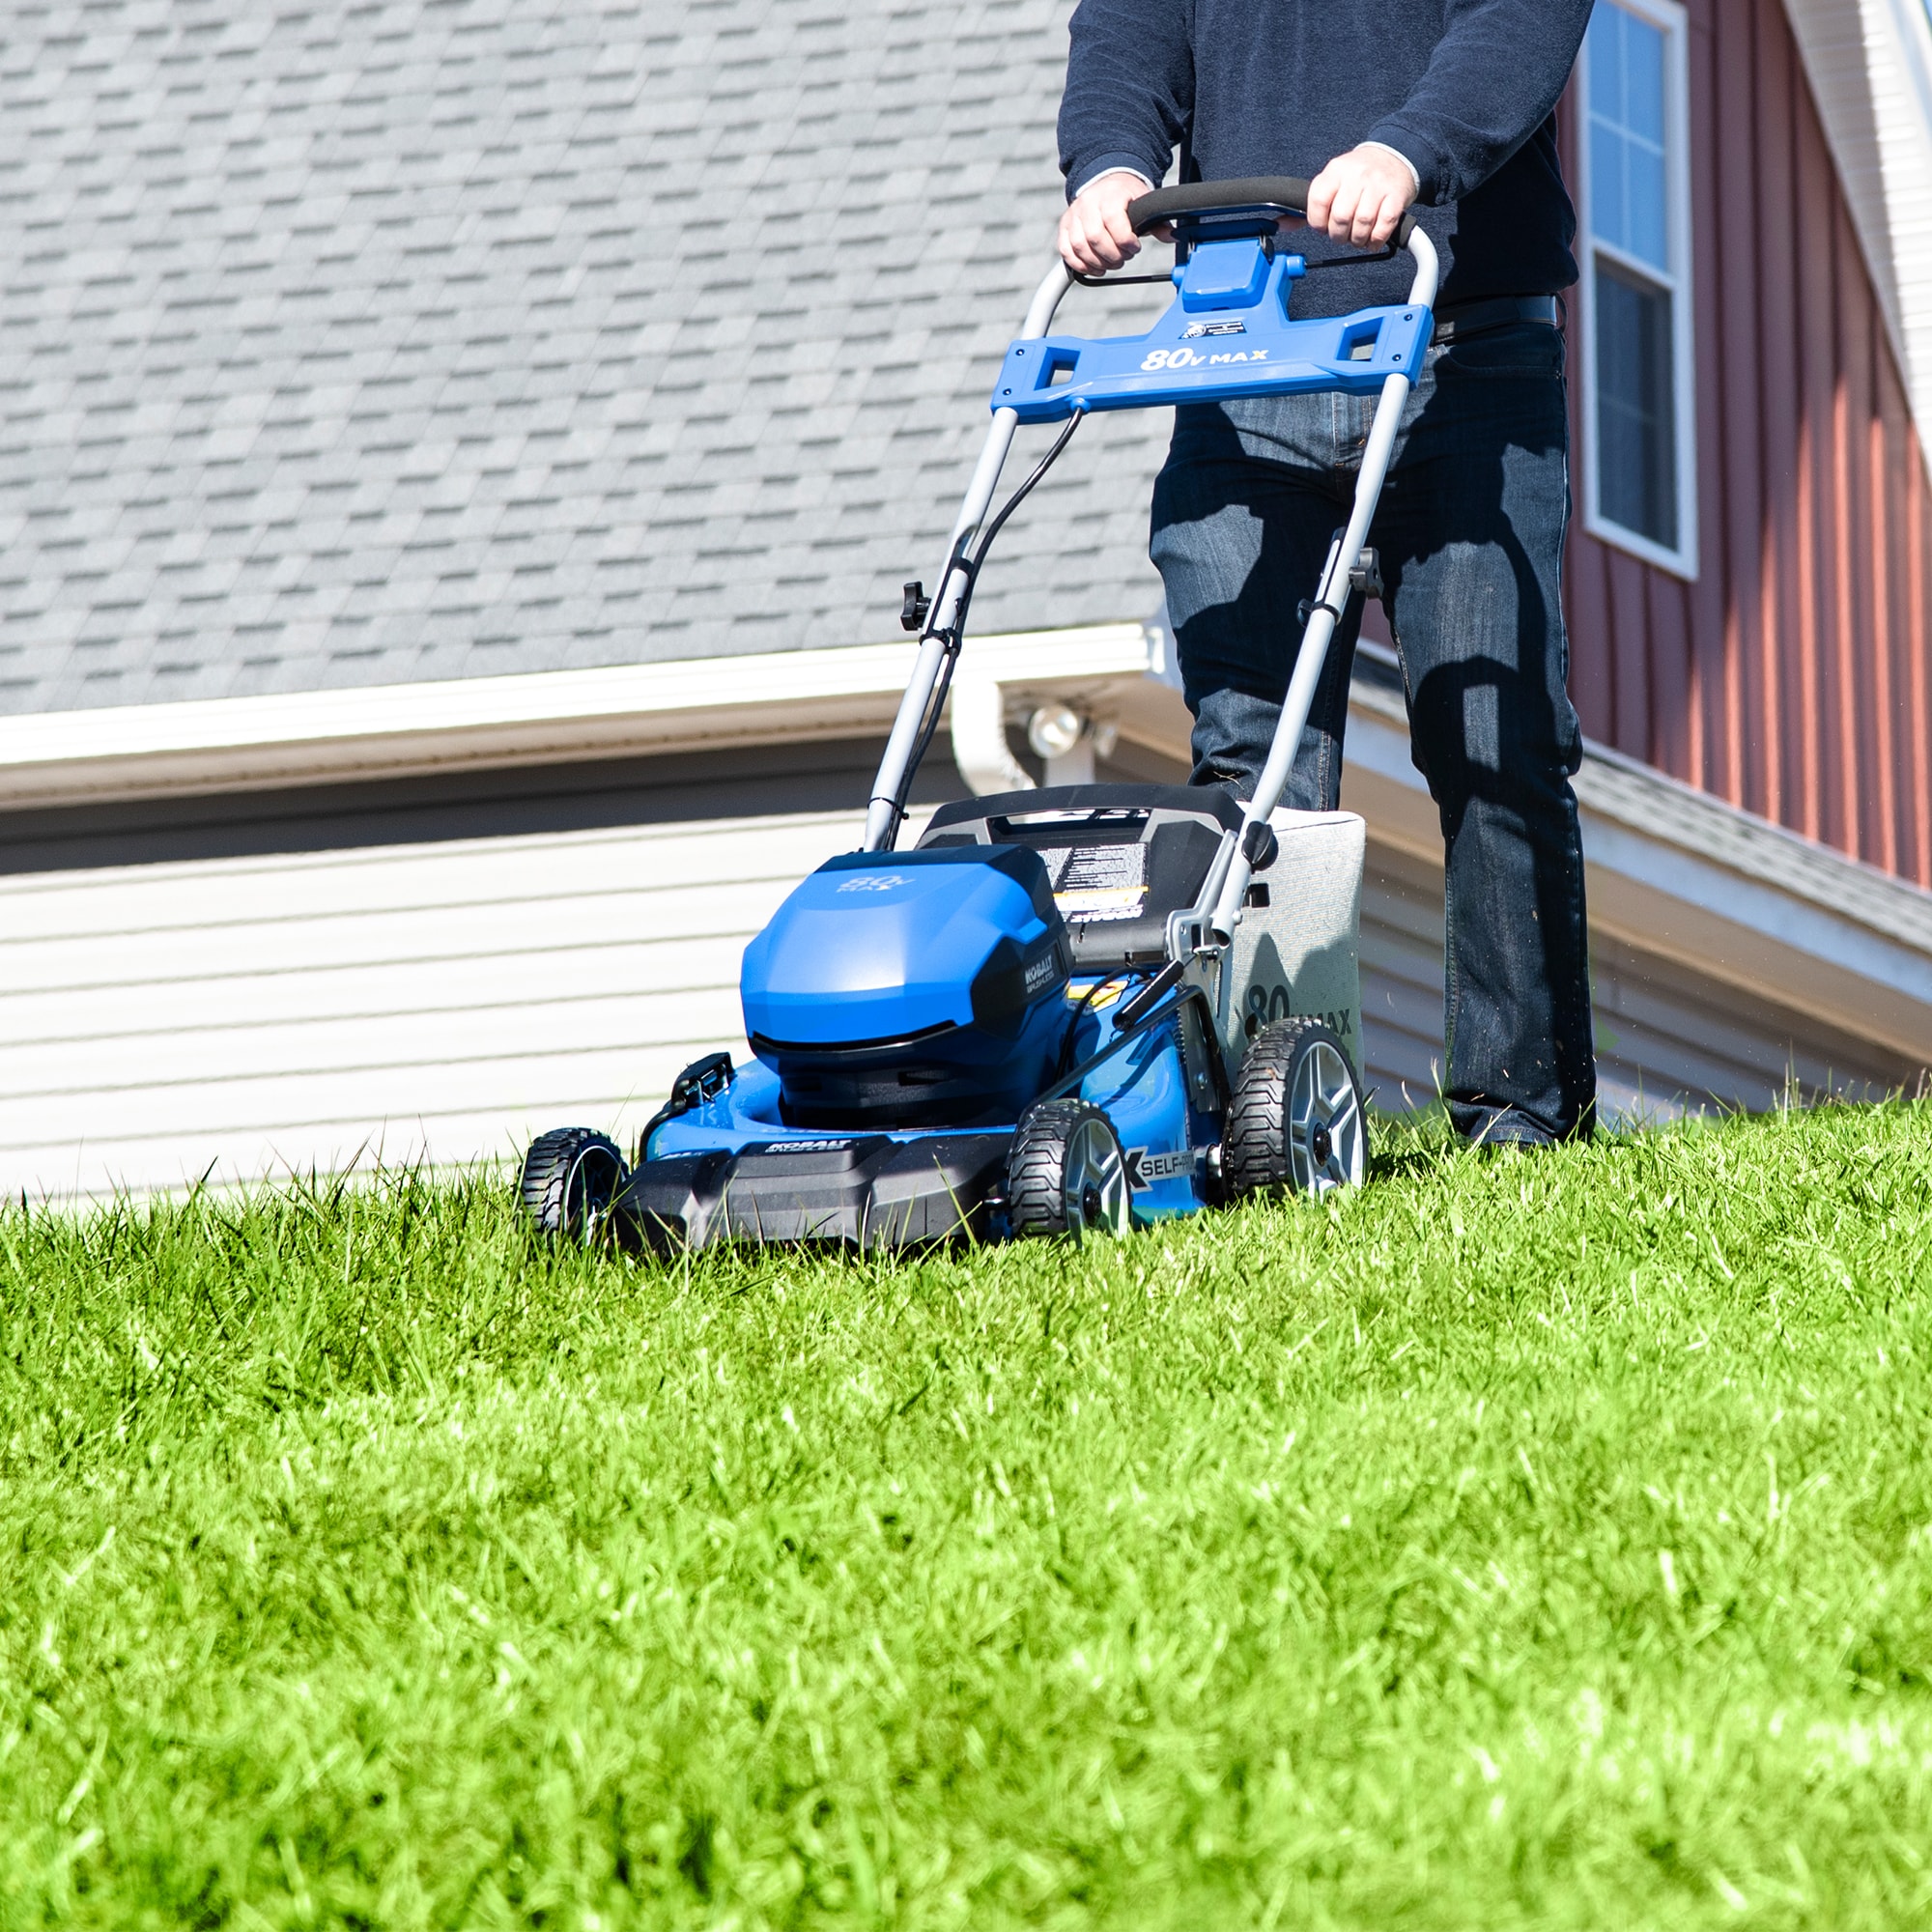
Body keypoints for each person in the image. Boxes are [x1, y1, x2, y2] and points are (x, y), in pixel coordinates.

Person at [1057, 0, 1599, 1148]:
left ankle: (1518, 1119)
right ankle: (1279, 1124)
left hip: (1458, 344)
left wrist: (1407, 147)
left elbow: (1520, 23)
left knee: (1490, 733)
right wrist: (1107, 164)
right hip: (1245, 346)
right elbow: (1124, 32)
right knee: (1251, 765)